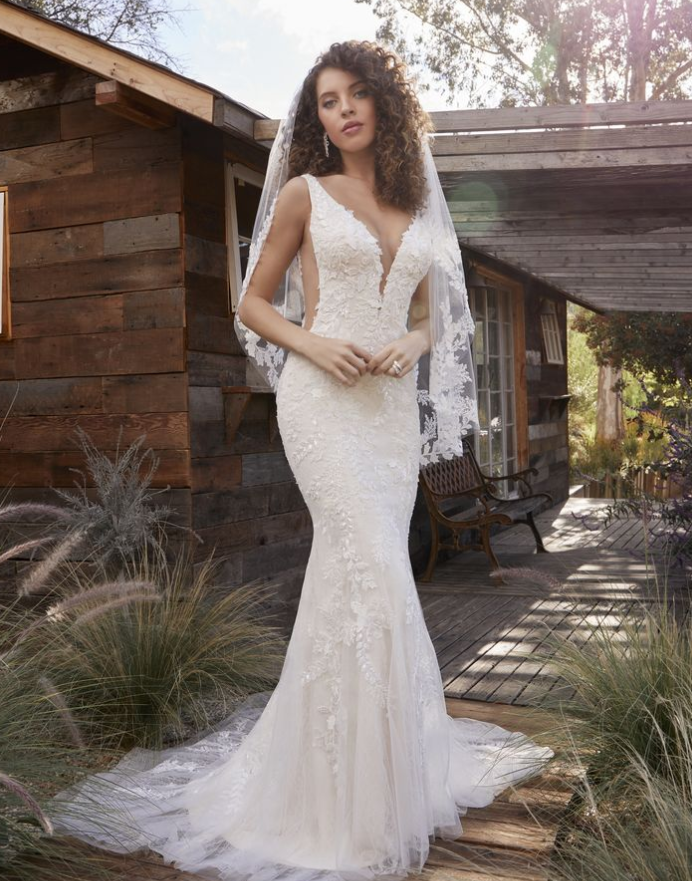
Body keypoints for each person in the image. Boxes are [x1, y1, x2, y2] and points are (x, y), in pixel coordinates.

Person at [47, 40, 554, 881]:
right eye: (326, 100)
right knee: (370, 570)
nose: (343, 110)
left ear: (386, 104)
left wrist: (410, 344)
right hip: (323, 408)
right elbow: (250, 302)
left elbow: (434, 316)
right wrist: (316, 344)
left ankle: (372, 780)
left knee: (371, 575)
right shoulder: (302, 194)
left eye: (357, 94)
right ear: (315, 117)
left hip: (388, 416)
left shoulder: (418, 200)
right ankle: (338, 806)